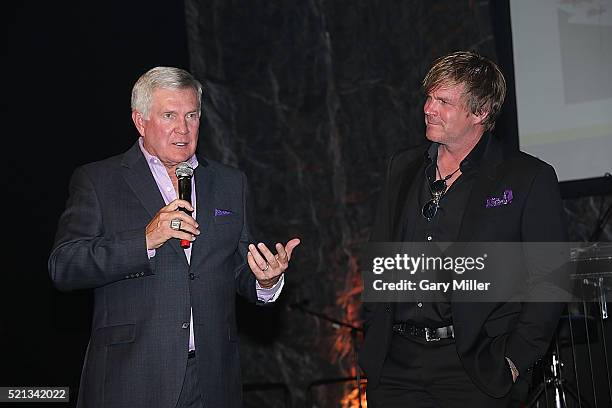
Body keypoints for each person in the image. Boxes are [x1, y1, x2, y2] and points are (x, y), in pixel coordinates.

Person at [48, 66, 300, 408]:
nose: (183, 128)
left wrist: (265, 281)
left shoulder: (229, 183)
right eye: (170, 115)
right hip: (133, 377)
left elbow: (239, 268)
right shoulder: (99, 180)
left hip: (212, 379)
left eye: (192, 115)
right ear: (141, 121)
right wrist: (146, 240)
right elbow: (65, 266)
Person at [358, 51, 567, 407]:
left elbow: (552, 278)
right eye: (428, 96)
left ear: (481, 112)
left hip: (475, 367)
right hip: (395, 367)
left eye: (443, 101)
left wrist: (515, 360)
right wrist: (375, 340)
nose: (428, 108)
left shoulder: (527, 177)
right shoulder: (403, 166)